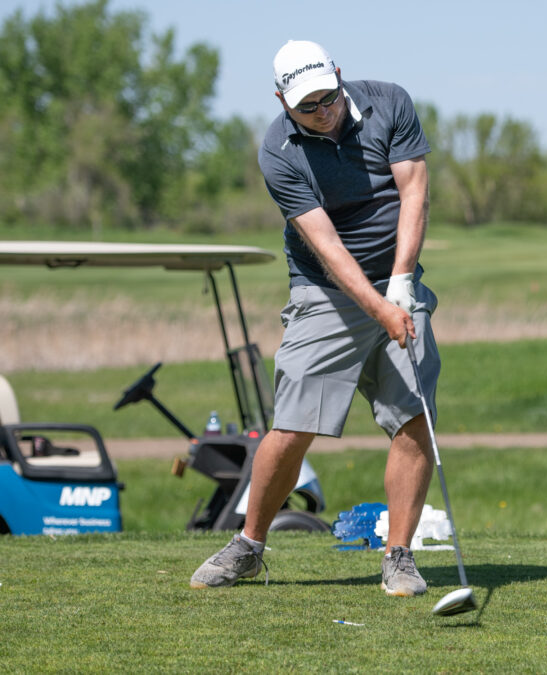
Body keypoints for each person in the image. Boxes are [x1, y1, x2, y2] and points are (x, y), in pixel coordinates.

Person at [190, 39, 438, 598]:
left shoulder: (389, 102)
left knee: (412, 416)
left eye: (328, 97)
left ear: (340, 78)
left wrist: (400, 284)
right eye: (307, 106)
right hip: (324, 289)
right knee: (295, 422)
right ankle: (250, 545)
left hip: (396, 278)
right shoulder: (279, 150)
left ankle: (398, 557)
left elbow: (414, 189)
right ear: (282, 100)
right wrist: (378, 308)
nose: (322, 111)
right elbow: (325, 245)